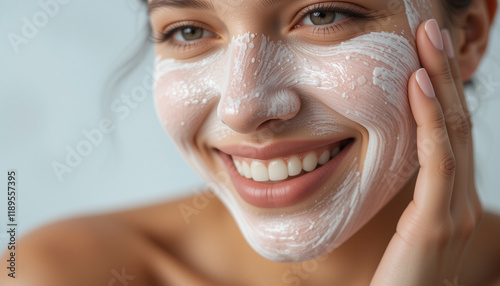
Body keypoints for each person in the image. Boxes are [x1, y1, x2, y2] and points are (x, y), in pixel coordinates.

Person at [2, 0, 500, 285]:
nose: (243, 108)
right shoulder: (55, 273)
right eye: (190, 29)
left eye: (322, 15)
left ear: (469, 37)